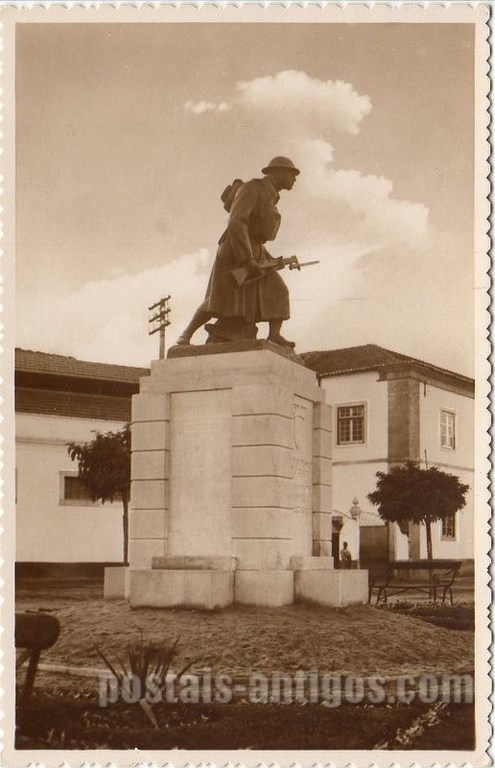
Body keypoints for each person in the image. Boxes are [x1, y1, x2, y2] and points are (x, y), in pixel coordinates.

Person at [176, 156, 300, 348]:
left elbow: (260, 234)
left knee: (277, 288)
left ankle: (274, 335)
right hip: (235, 247)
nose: (295, 179)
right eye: (292, 174)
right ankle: (185, 336)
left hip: (254, 247)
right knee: (219, 298)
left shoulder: (271, 198)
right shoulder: (253, 187)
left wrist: (268, 259)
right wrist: (247, 258)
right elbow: (237, 221)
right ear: (278, 172)